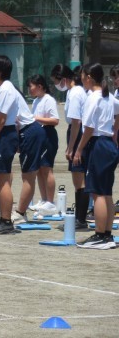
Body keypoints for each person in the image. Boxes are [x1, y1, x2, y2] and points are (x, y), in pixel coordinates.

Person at [0, 55, 33, 234]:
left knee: (2, 180)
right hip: (0, 135)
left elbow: (1, 120)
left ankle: (6, 220)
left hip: (4, 135)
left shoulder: (6, 89)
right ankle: (3, 218)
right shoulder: (0, 88)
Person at [74, 63, 119, 249]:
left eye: (82, 76)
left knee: (97, 192)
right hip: (108, 144)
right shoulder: (108, 96)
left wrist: (79, 149)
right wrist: (113, 133)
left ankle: (100, 235)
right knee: (106, 192)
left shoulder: (93, 97)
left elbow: (89, 128)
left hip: (98, 144)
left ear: (89, 77)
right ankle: (107, 234)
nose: (81, 79)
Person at [50, 64, 89, 230]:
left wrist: (71, 148)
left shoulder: (74, 93)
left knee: (79, 179)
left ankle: (80, 219)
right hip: (78, 132)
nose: (56, 85)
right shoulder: (75, 91)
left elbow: (75, 122)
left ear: (64, 79)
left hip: (77, 134)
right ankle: (79, 217)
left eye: (56, 81)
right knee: (79, 179)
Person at [27, 74, 59, 212]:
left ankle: (50, 201)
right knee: (39, 169)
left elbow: (55, 120)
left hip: (48, 135)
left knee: (47, 168)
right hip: (38, 135)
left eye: (31, 86)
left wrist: (36, 118)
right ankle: (44, 199)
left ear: (40, 86)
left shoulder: (48, 99)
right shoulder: (36, 101)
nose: (29, 89)